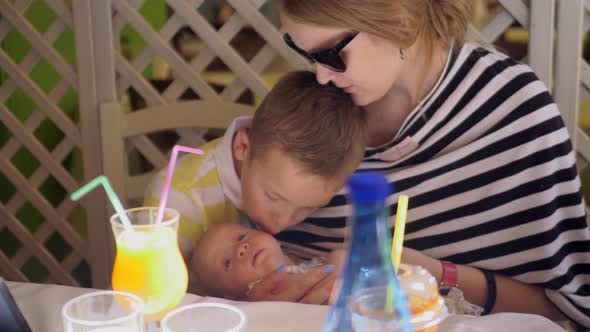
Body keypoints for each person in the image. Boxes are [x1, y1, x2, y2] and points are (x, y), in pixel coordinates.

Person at [246, 0, 590, 329]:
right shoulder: (314, 117)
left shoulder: (512, 111)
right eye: (306, 53)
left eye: (331, 54)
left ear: (399, 20)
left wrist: (428, 273)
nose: (321, 76)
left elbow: (563, 309)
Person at [144, 70, 367, 293]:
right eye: (273, 197)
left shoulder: (316, 171)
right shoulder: (177, 200)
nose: (281, 222)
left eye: (308, 208)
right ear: (242, 147)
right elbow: (150, 302)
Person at [190, 222, 343, 300]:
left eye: (242, 237)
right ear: (234, 298)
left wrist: (336, 262)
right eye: (227, 263)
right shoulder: (258, 305)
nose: (241, 248)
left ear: (275, 240)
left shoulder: (309, 262)